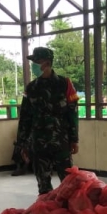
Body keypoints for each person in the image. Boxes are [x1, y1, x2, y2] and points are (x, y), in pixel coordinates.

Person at [16, 47, 79, 195]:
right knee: (43, 187)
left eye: (37, 61)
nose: (34, 65)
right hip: (39, 144)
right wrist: (22, 144)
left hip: (61, 142)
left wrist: (74, 139)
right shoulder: (31, 88)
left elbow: (73, 112)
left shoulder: (65, 84)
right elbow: (25, 117)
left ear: (47, 62)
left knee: (69, 185)